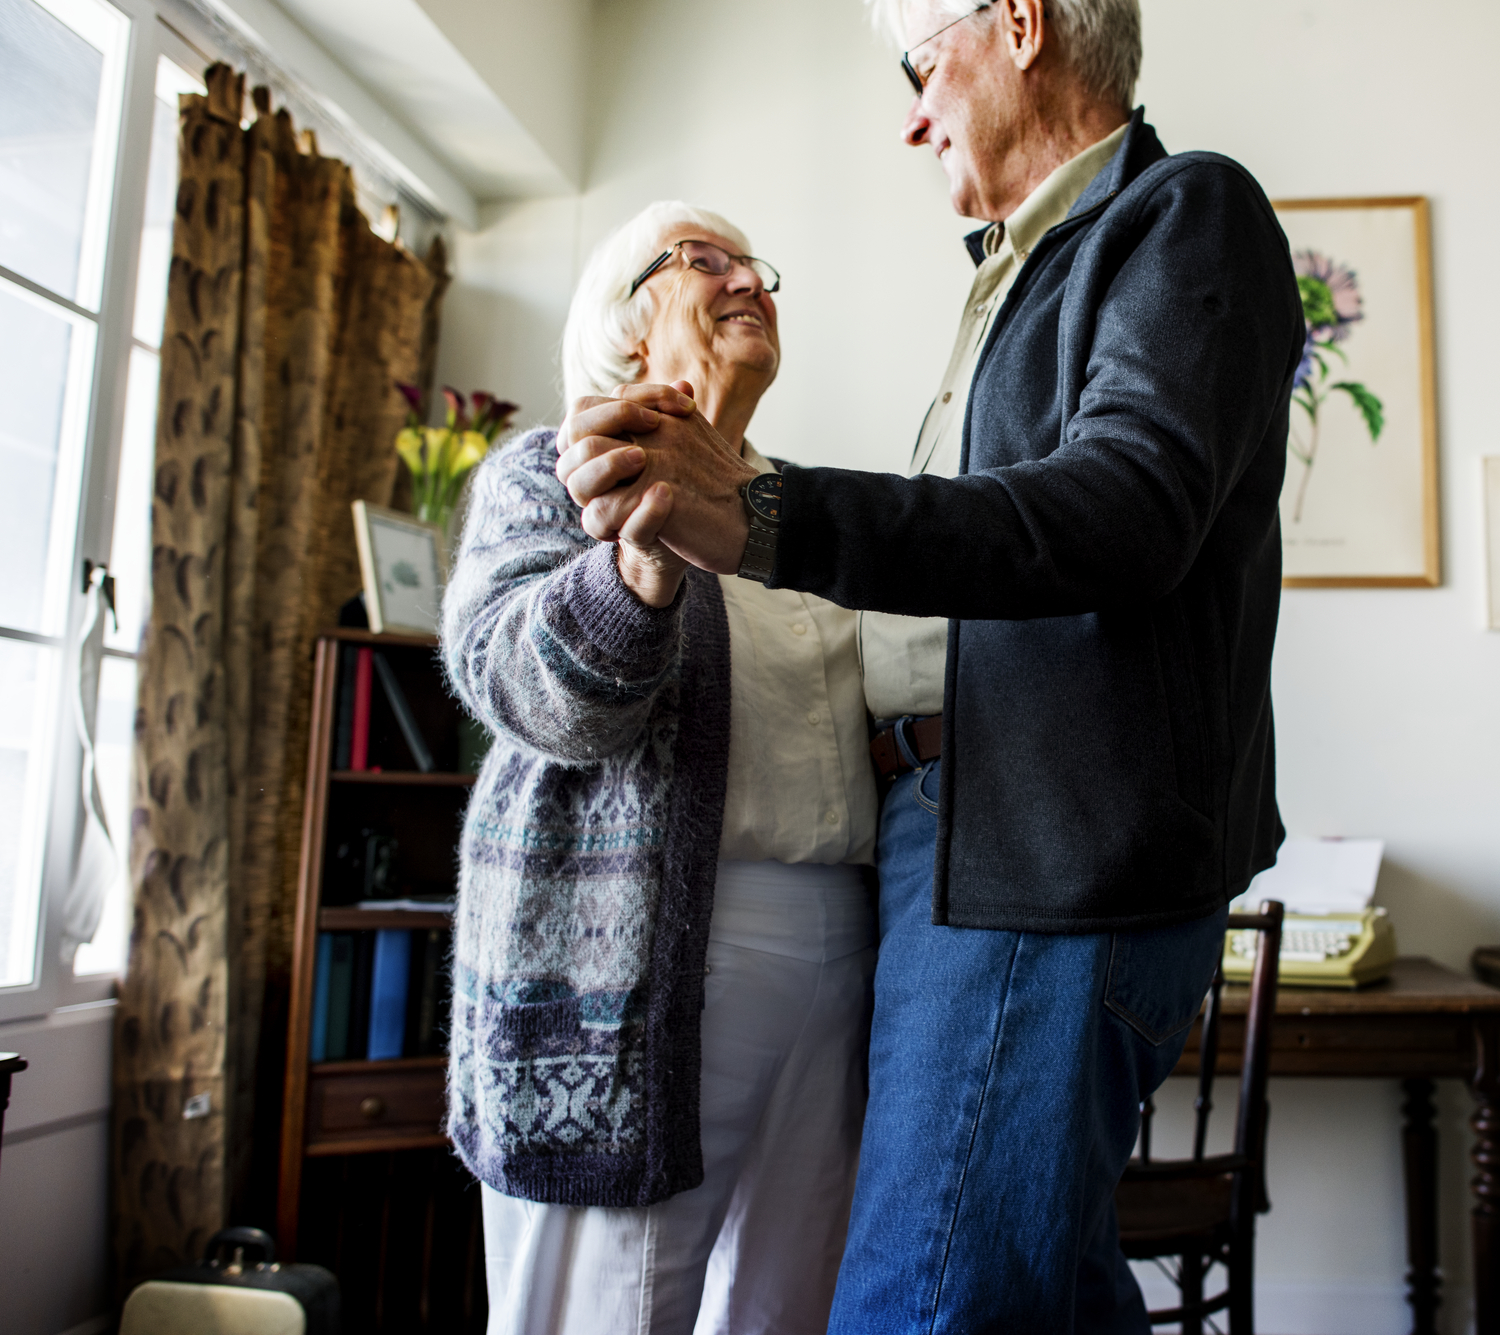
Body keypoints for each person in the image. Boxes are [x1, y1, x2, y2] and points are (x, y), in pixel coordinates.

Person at [557, 0, 1304, 1328]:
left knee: (926, 1295)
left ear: (1018, 23)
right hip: (949, 848)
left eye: (918, 66)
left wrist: (766, 511)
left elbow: (1124, 509)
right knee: (1026, 1281)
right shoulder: (1018, 271)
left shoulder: (1185, 212)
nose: (908, 115)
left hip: (1035, 846)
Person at [441, 201, 879, 1335]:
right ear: (623, 325)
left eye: (755, 263)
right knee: (604, 1314)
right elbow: (526, 691)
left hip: (836, 955)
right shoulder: (550, 475)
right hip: (633, 967)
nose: (748, 280)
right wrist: (638, 559)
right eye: (704, 259)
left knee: (788, 1307)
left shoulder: (792, 508)